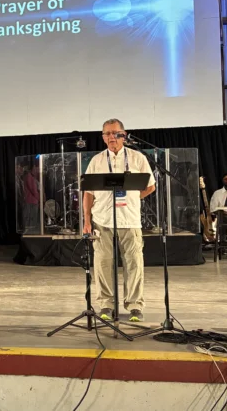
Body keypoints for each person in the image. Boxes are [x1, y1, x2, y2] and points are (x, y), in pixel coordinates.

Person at [83, 118, 155, 322]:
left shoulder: (137, 158)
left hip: (130, 219)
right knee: (103, 263)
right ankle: (106, 304)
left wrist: (132, 198)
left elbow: (150, 186)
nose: (110, 137)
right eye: (106, 133)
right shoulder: (97, 160)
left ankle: (134, 305)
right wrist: (87, 221)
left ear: (123, 135)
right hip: (102, 219)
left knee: (134, 263)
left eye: (114, 133)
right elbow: (87, 192)